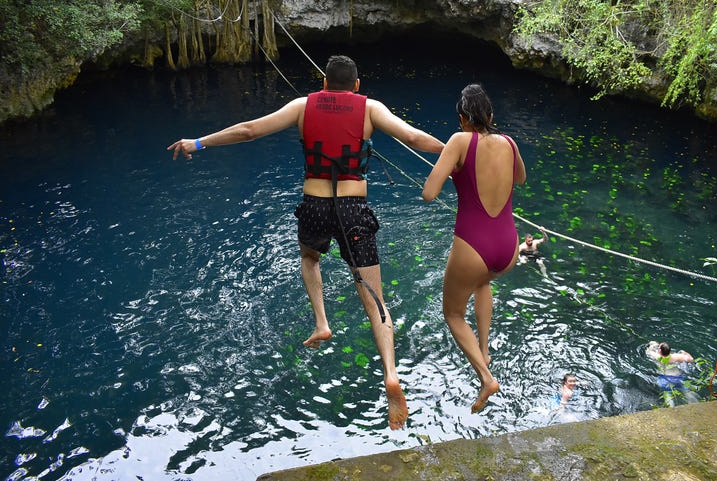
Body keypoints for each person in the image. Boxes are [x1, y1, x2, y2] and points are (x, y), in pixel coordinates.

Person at [167, 55, 444, 430]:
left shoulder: (302, 106)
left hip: (315, 204)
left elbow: (249, 130)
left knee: (310, 258)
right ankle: (391, 373)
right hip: (353, 207)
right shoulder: (371, 108)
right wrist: (454, 152)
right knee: (373, 294)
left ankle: (321, 321)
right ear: (357, 85)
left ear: (324, 82)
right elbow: (413, 138)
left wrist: (197, 143)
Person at [422, 83, 526, 413]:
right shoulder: (509, 142)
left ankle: (486, 376)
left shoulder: (459, 140)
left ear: (462, 118)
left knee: (453, 313)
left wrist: (453, 165)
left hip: (473, 244)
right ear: (491, 115)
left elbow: (429, 192)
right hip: (508, 247)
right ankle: (484, 348)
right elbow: (520, 178)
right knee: (482, 282)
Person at [646, 341, 696, 406]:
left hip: (665, 379)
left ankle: (671, 408)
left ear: (660, 351)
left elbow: (648, 352)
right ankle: (694, 403)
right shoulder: (676, 356)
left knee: (668, 396)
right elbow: (691, 359)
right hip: (678, 378)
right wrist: (685, 353)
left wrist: (652, 345)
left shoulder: (657, 357)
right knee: (686, 392)